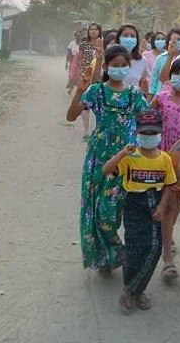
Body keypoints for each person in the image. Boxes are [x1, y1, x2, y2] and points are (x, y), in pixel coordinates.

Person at [66, 44, 149, 277]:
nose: (119, 69)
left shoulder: (133, 94)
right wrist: (79, 91)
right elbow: (71, 116)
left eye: (124, 66)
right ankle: (105, 255)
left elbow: (148, 120)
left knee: (112, 209)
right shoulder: (96, 92)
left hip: (126, 157)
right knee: (97, 208)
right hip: (98, 156)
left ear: (129, 67)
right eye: (115, 66)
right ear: (106, 67)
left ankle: (118, 251)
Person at [103, 109, 176, 312]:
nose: (149, 137)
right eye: (145, 133)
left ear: (160, 133)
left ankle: (134, 289)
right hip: (134, 204)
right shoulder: (129, 157)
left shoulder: (165, 159)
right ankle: (133, 290)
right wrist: (121, 154)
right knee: (134, 250)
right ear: (137, 132)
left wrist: (162, 206)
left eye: (153, 133)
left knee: (154, 247)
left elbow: (170, 184)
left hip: (155, 204)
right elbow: (106, 170)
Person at [149, 56, 180, 283]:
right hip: (161, 157)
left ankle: (166, 238)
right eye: (178, 73)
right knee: (164, 203)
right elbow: (146, 119)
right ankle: (167, 256)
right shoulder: (162, 98)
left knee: (175, 204)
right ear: (171, 77)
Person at [70, 23, 102, 138]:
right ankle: (86, 131)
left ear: (100, 31)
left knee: (99, 104)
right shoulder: (84, 44)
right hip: (85, 77)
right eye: (91, 29)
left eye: (96, 29)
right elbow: (78, 60)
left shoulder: (103, 44)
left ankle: (97, 129)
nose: (93, 31)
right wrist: (74, 75)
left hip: (99, 77)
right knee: (85, 104)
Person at [150, 28, 180, 97]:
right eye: (173, 39)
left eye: (179, 40)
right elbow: (154, 83)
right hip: (162, 97)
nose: (176, 42)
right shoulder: (160, 58)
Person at [116, 24, 151, 93]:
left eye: (132, 36)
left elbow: (146, 80)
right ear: (118, 38)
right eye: (125, 35)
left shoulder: (142, 60)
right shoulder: (111, 58)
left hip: (133, 99)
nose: (129, 39)